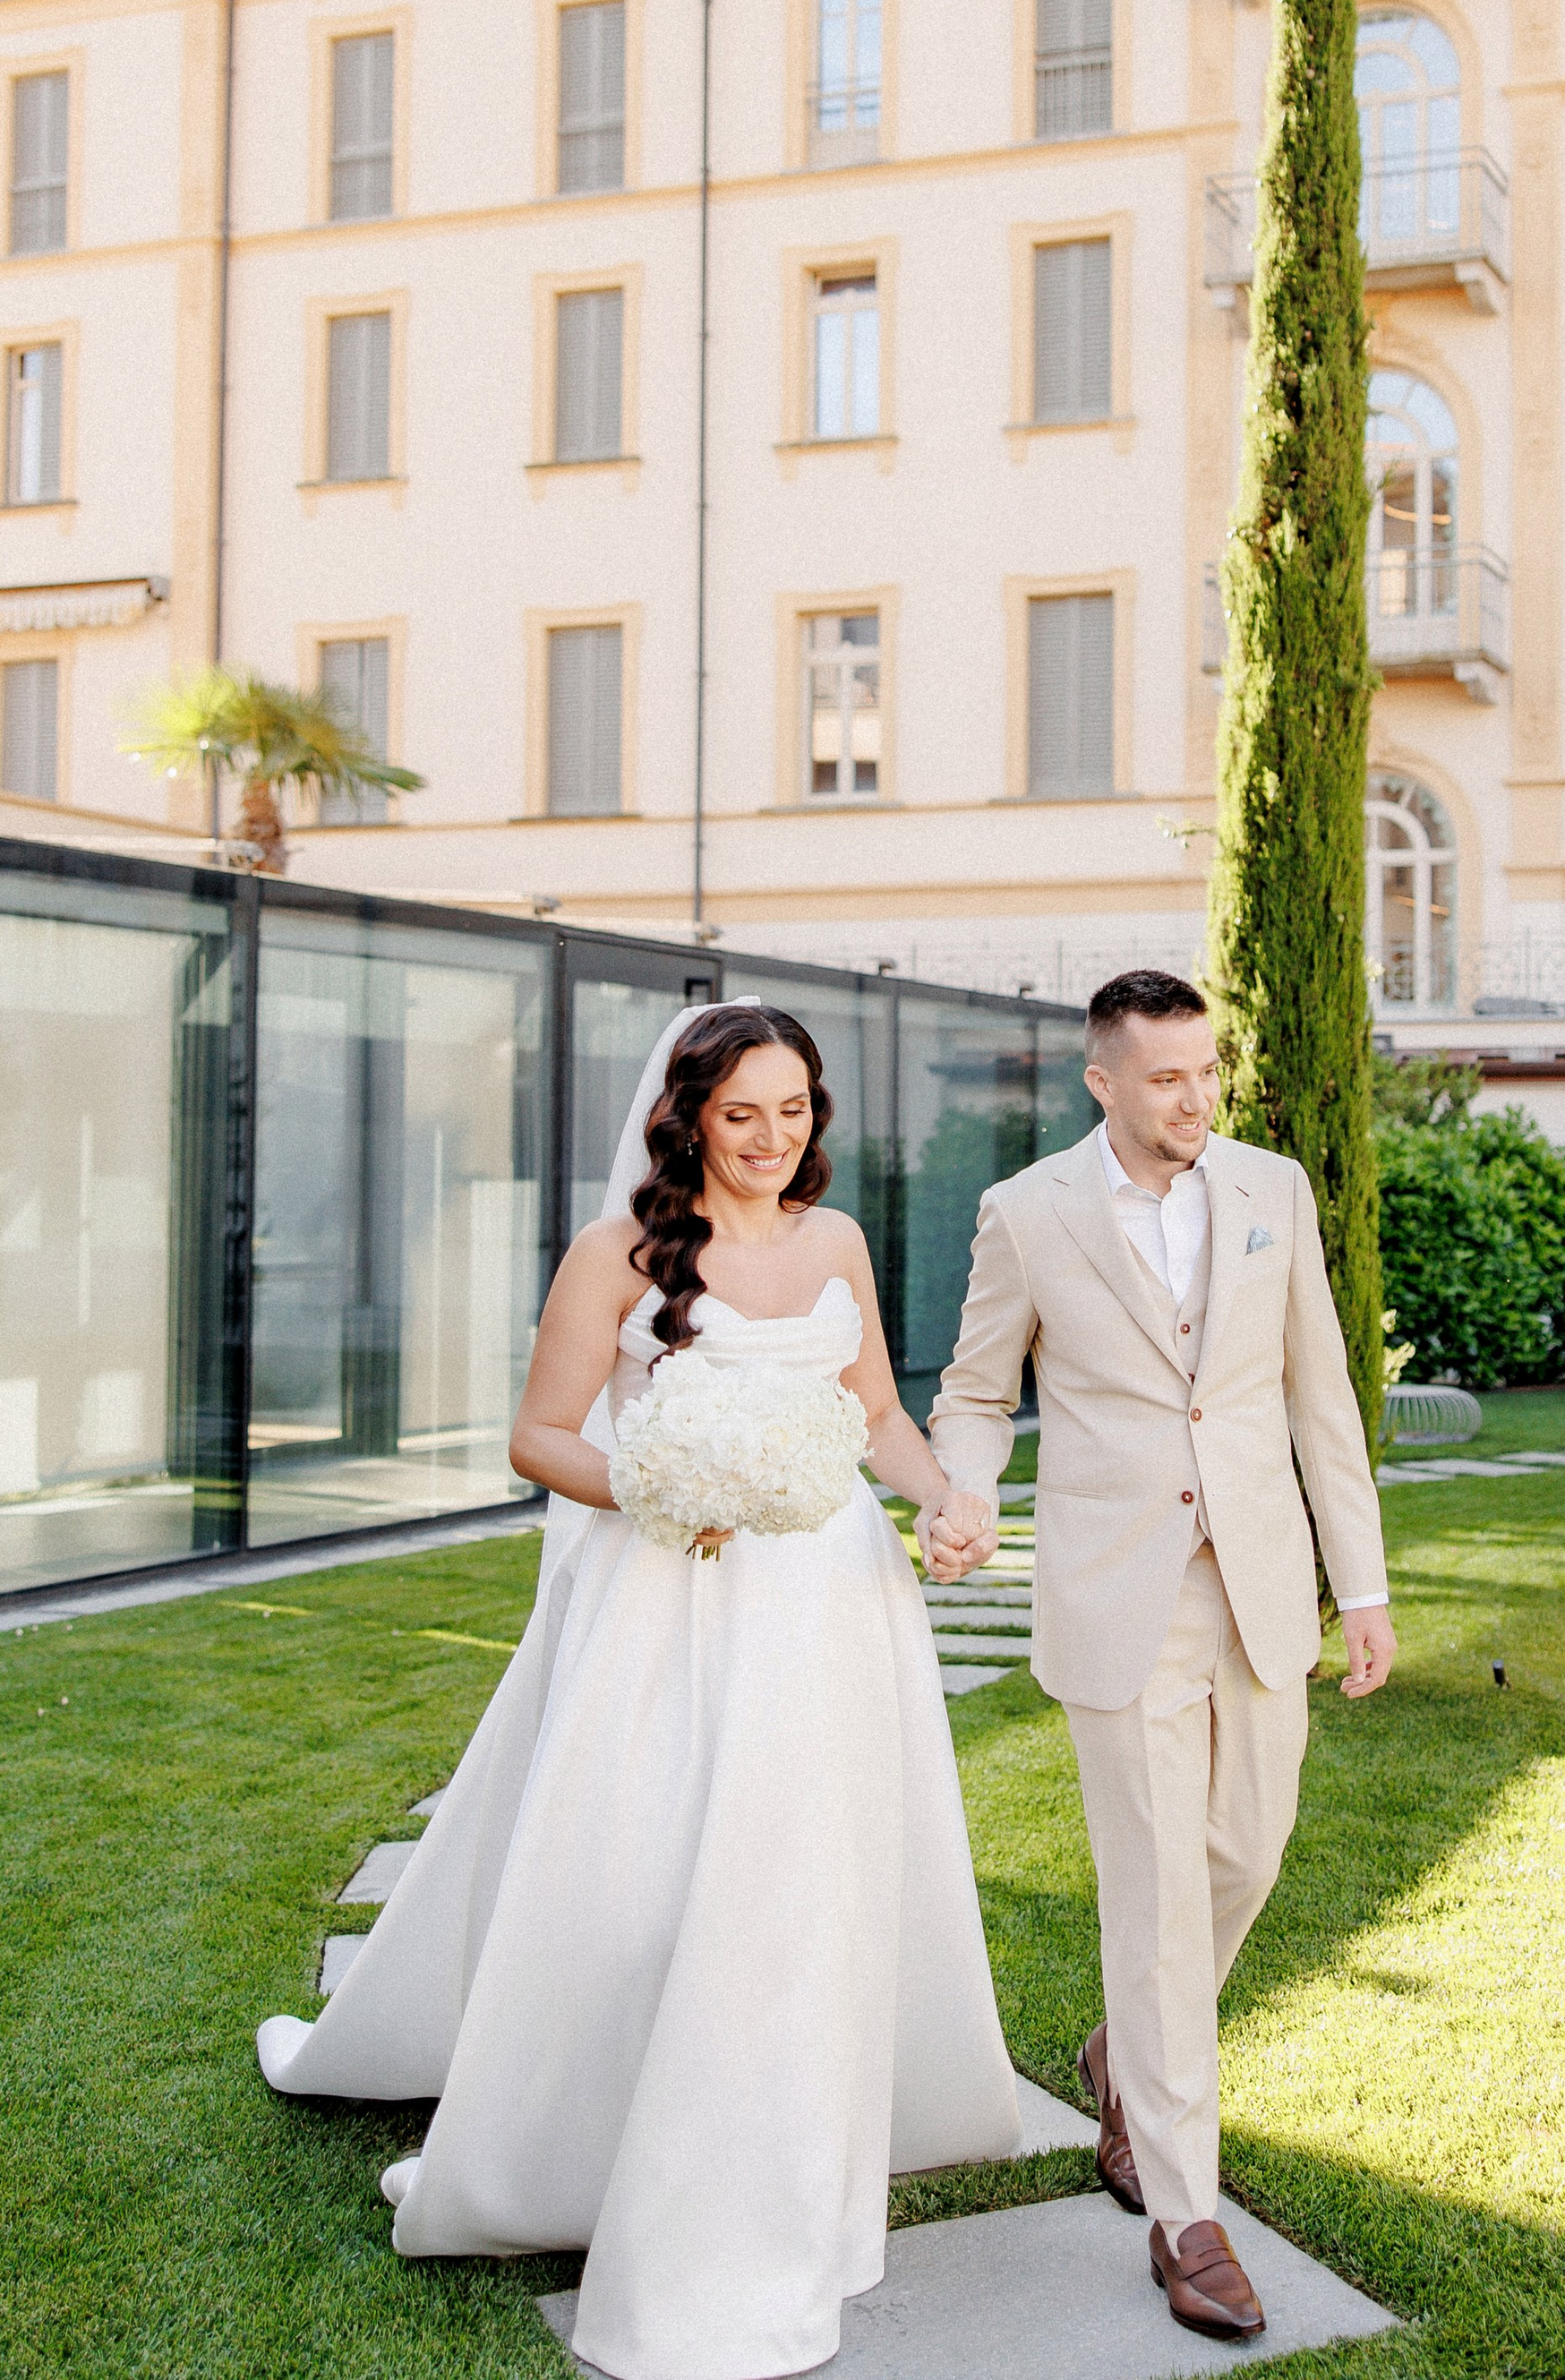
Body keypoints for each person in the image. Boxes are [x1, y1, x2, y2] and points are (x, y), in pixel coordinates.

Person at [255, 999, 1022, 2380]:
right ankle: (601, 2139)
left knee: (805, 1886)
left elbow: (877, 1419)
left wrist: (947, 1499)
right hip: (675, 1599)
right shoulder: (616, 1253)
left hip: (831, 1602)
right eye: (744, 1116)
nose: (774, 1140)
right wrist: (668, 1484)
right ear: (687, 1119)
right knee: (650, 1878)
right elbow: (540, 1437)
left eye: (795, 1113)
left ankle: (790, 2146)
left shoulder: (837, 1241)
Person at [927, 969, 1393, 2341]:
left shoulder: (1273, 1193)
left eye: (1208, 1073)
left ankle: (1125, 2055)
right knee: (1157, 1904)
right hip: (1117, 1597)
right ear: (1104, 1081)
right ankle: (1189, 2214)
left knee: (1245, 1853)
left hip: (1259, 1586)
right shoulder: (1028, 1215)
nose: (1198, 1099)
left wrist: (1356, 1582)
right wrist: (962, 1491)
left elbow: (1321, 1397)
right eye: (1170, 1078)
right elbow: (973, 1391)